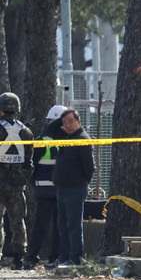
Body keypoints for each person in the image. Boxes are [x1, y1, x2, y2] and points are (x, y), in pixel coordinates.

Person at [24, 105, 68, 269]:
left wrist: (34, 183)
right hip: (57, 189)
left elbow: (31, 165)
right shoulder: (65, 140)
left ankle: (33, 258)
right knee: (57, 226)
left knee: (42, 225)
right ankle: (53, 257)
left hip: (44, 189)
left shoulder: (42, 140)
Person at [54, 108, 93, 267]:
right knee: (62, 225)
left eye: (70, 121)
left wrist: (82, 182)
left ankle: (75, 258)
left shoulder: (82, 139)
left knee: (74, 225)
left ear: (79, 122)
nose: (67, 125)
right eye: (64, 123)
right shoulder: (67, 136)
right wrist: (61, 119)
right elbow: (50, 129)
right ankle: (63, 257)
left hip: (75, 188)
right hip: (62, 187)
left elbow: (89, 167)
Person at [0, 92, 33, 269]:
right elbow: (29, 160)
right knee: (17, 221)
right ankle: (18, 258)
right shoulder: (25, 131)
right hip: (17, 185)